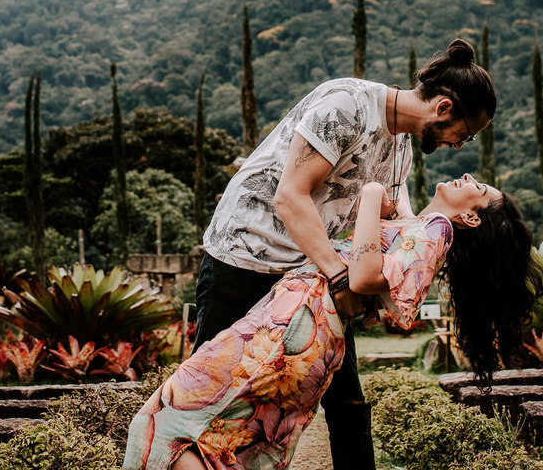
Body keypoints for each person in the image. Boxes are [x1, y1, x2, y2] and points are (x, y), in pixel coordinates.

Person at [188, 37, 495, 469]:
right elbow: (290, 196)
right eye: (464, 134)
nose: (459, 145)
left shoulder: (401, 147)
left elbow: (397, 215)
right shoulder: (346, 105)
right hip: (243, 259)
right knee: (203, 393)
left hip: (308, 276)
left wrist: (424, 250)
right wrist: (339, 278)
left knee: (348, 401)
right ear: (443, 108)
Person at [123, 175, 543, 469]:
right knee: (231, 445)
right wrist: (389, 204)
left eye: (478, 188)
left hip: (292, 329)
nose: (468, 177)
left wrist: (373, 194)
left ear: (472, 218)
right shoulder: (424, 228)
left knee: (163, 422)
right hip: (307, 335)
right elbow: (398, 240)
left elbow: (364, 277)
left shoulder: (437, 230)